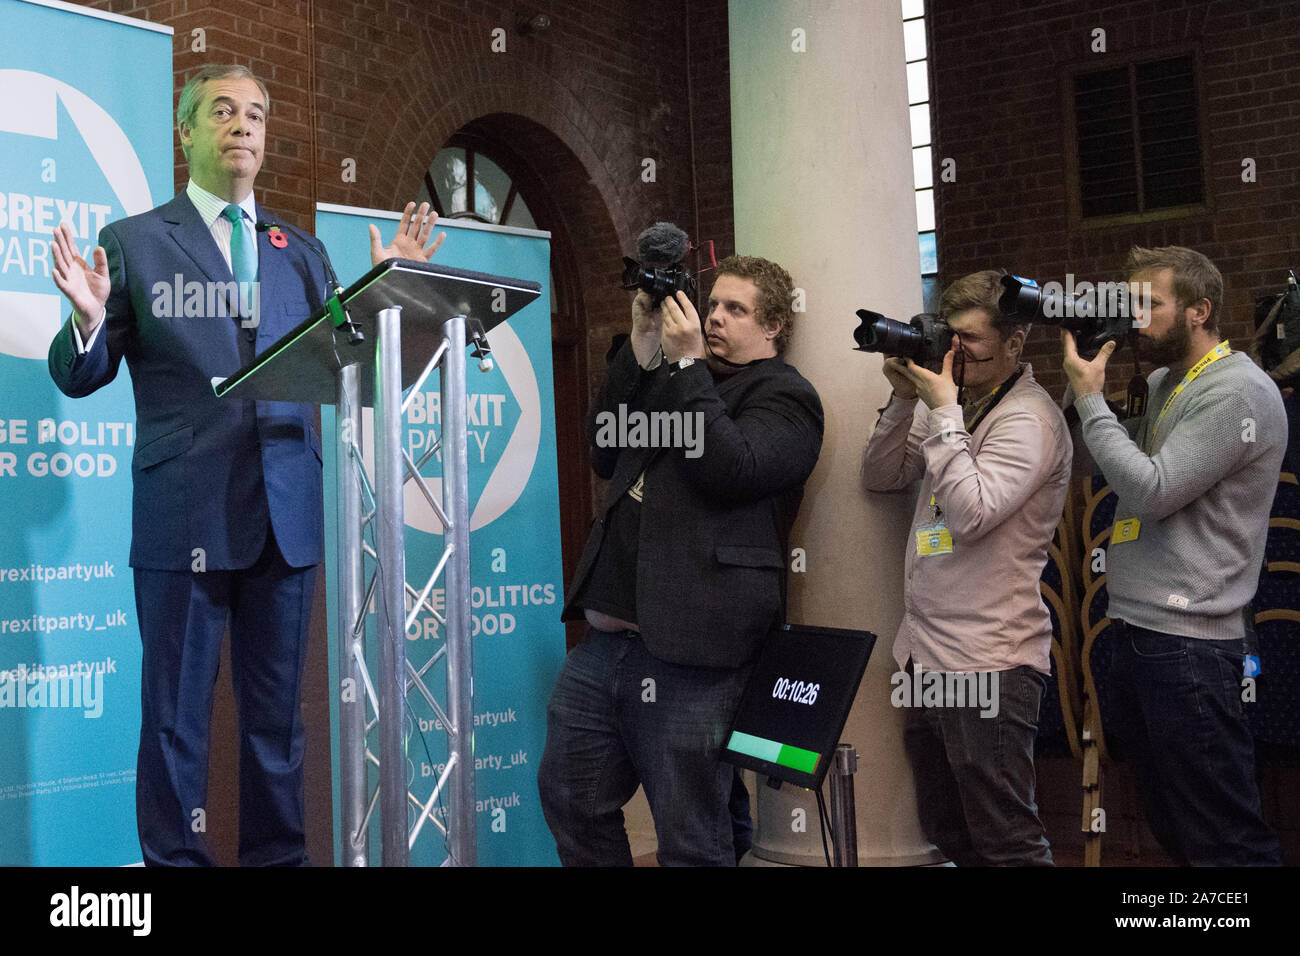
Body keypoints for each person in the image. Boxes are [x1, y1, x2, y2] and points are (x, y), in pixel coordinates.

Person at [47, 63, 443, 866]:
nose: (243, 126)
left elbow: (351, 368)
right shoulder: (134, 243)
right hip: (183, 516)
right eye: (222, 112)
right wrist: (86, 322)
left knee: (277, 727)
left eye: (256, 115)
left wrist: (386, 291)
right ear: (185, 131)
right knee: (175, 724)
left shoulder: (299, 251)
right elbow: (80, 373)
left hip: (287, 516)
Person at [538, 255, 823, 866]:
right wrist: (643, 345)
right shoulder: (671, 379)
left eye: (735, 309)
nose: (715, 316)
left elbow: (732, 468)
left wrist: (690, 363)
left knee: (692, 836)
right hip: (606, 641)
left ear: (773, 326)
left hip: (697, 653)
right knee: (570, 798)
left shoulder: (786, 397)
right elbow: (604, 449)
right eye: (712, 303)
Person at [1062, 245, 1285, 866]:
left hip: (1194, 643)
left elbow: (1150, 490)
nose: (1134, 318)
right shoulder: (1164, 381)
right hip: (1136, 627)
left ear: (1199, 311)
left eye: (1148, 305)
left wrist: (1090, 401)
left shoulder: (1239, 392)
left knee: (1225, 838)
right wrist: (1083, 386)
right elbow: (1099, 462)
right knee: (1173, 823)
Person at [861, 270, 1068, 866]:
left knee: (1008, 841)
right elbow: (879, 476)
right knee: (951, 835)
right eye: (951, 336)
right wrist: (907, 399)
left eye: (973, 340)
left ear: (1015, 343)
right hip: (926, 654)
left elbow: (973, 514)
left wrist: (945, 414)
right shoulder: (949, 405)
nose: (957, 352)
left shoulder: (1029, 419)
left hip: (991, 662)